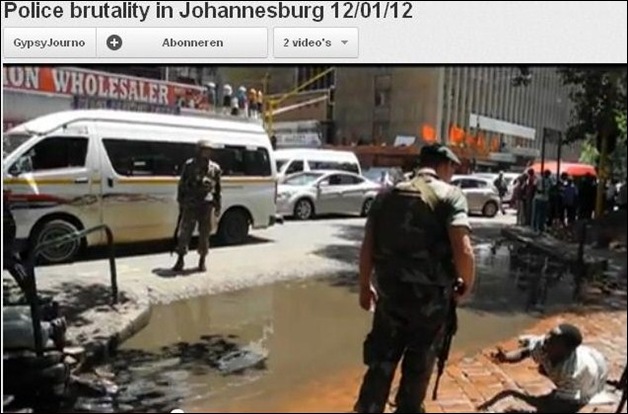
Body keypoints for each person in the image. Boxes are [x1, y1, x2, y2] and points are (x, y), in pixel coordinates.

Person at [353, 143, 476, 413]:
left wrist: (364, 286)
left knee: (380, 363)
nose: (452, 175)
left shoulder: (385, 196)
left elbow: (368, 247)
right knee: (418, 366)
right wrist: (466, 286)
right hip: (430, 304)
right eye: (452, 169)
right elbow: (464, 250)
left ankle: (369, 408)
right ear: (444, 165)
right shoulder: (451, 196)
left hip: (389, 298)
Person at [490, 323, 609, 412]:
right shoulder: (546, 345)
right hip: (587, 354)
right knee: (543, 368)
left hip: (596, 376)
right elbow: (525, 352)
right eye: (549, 334)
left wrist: (527, 405)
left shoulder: (573, 372)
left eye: (553, 340)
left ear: (566, 350)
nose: (547, 339)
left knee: (561, 404)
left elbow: (563, 407)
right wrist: (506, 357)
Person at [172, 140, 222, 272]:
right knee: (185, 232)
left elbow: (217, 188)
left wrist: (218, 205)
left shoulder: (215, 168)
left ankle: (202, 260)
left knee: (204, 234)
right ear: (198, 150)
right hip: (191, 203)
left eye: (209, 150)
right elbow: (182, 184)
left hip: (206, 204)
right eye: (204, 150)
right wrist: (181, 201)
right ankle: (180, 259)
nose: (207, 152)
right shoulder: (189, 165)